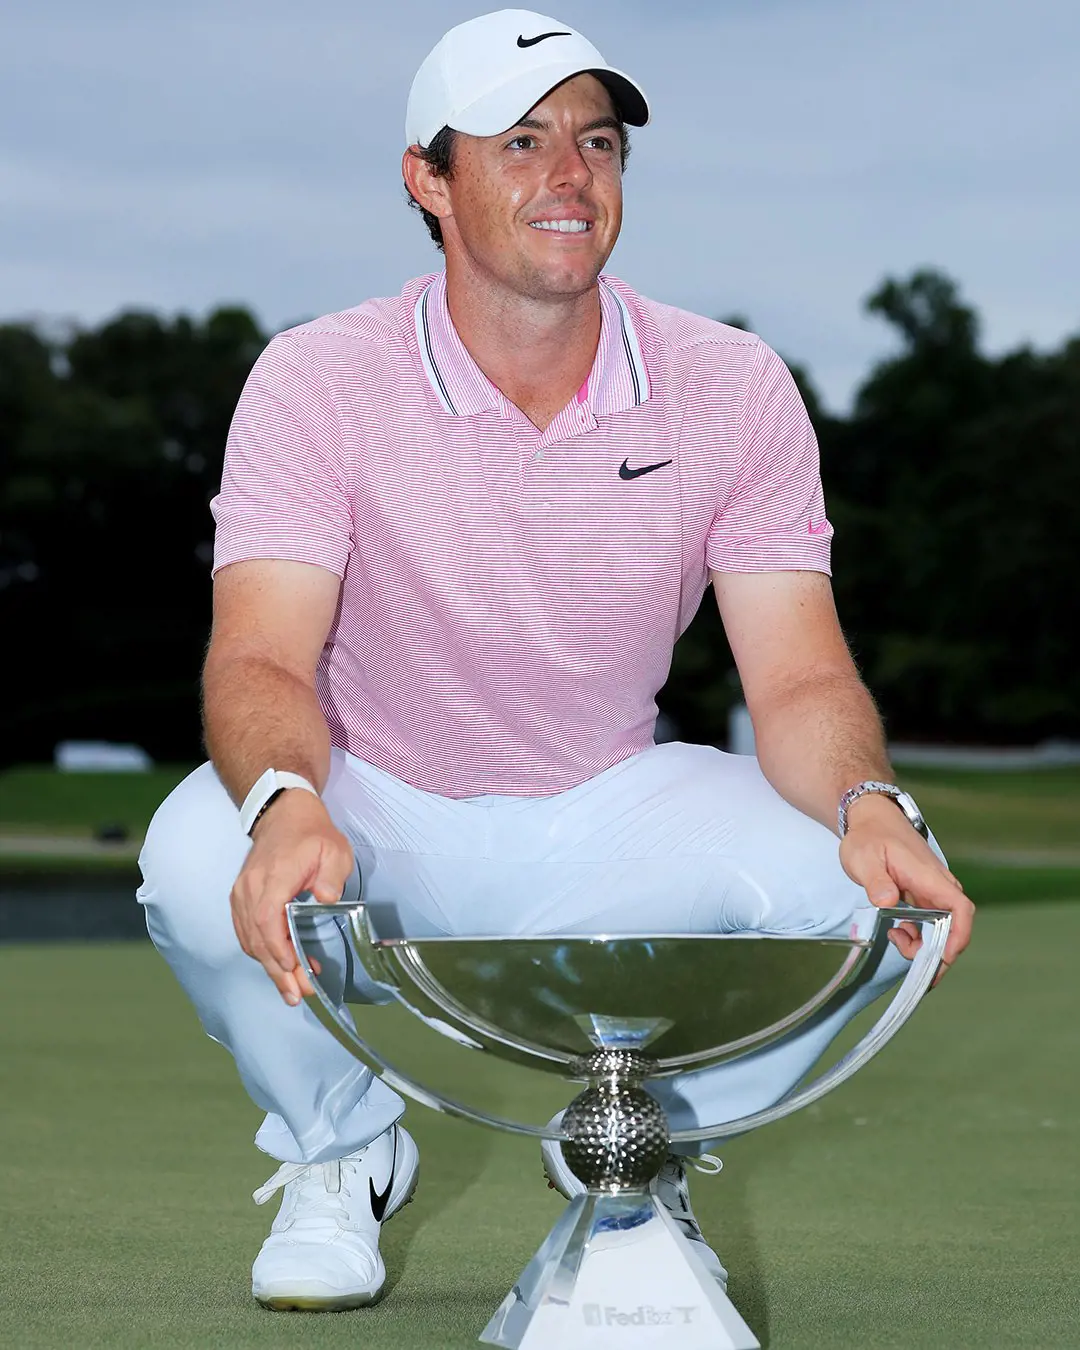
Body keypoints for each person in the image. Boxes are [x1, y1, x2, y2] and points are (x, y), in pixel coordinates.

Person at [137, 8, 974, 1314]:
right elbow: (258, 658)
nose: (570, 175)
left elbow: (802, 679)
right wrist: (288, 799)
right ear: (428, 177)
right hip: (374, 802)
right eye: (520, 140)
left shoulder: (731, 384)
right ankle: (341, 1148)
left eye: (596, 139)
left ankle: (638, 1151)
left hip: (609, 806)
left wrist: (876, 803)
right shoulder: (314, 378)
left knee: (882, 908)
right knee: (193, 854)